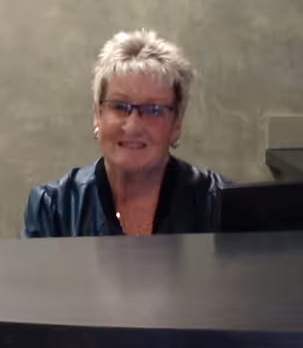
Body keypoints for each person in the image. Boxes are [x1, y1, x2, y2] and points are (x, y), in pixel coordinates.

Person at [22, 29, 223, 237]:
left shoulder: (219, 204)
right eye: (119, 106)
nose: (133, 126)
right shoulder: (54, 208)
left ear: (176, 125)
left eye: (153, 110)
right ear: (97, 115)